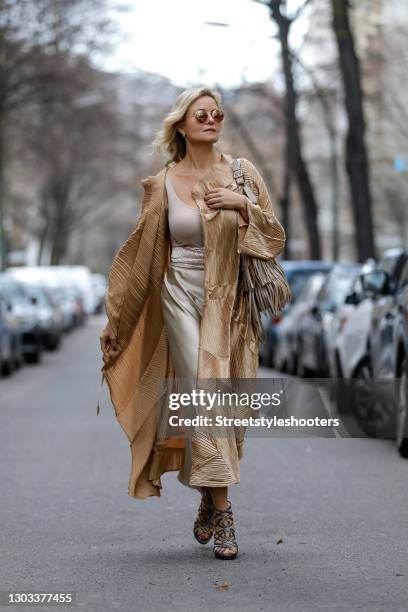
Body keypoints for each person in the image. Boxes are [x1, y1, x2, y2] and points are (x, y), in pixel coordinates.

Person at [99, 86, 286, 560]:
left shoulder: (242, 173)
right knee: (206, 395)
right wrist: (117, 323)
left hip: (231, 306)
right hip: (179, 296)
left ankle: (207, 495)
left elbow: (274, 237)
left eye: (217, 113)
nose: (211, 119)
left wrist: (242, 205)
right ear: (181, 124)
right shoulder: (161, 183)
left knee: (230, 412)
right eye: (201, 113)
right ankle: (225, 515)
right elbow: (140, 259)